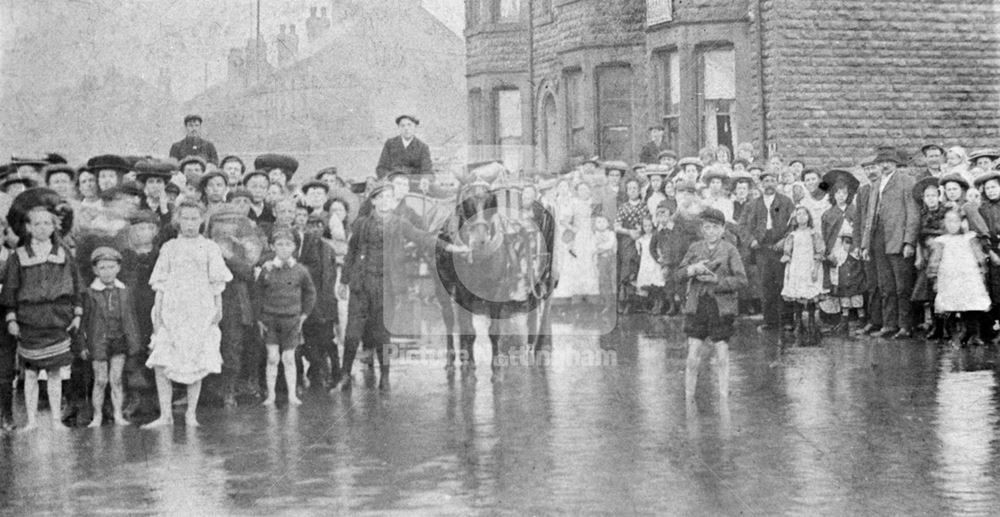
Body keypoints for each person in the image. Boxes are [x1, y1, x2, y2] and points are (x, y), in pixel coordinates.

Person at [334, 182, 467, 391]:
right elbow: (351, 253)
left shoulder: (401, 223)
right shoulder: (361, 224)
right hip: (361, 284)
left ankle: (384, 378)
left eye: (390, 198)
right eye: (382, 198)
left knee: (383, 332)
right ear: (374, 201)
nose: (386, 202)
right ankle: (345, 376)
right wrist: (344, 281)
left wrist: (450, 247)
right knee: (352, 333)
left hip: (387, 286)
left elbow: (424, 238)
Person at [143, 201, 232, 428]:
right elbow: (160, 283)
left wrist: (217, 309)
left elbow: (217, 283)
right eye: (186, 218)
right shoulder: (169, 247)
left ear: (201, 220)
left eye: (194, 219)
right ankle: (166, 415)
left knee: (196, 359)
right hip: (172, 308)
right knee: (163, 359)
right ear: (178, 221)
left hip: (199, 309)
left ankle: (191, 413)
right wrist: (159, 314)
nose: (190, 223)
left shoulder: (210, 247)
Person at [1, 205, 82, 430]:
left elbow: (76, 285)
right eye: (37, 223)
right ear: (28, 227)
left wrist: (76, 314)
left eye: (47, 223)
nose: (42, 228)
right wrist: (12, 319)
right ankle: (32, 421)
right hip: (30, 321)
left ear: (54, 225)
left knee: (55, 373)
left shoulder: (64, 253)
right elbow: (10, 289)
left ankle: (56, 419)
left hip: (58, 320)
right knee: (30, 373)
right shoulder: (19, 256)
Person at [677, 207, 747, 404]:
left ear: (723, 229)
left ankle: (724, 397)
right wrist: (692, 269)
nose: (711, 232)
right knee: (692, 357)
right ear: (702, 229)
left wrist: (718, 280)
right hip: (697, 305)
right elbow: (678, 274)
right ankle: (688, 397)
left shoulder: (730, 250)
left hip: (720, 307)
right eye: (707, 227)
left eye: (715, 227)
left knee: (722, 355)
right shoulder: (694, 248)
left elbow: (742, 280)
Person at [855, 147, 919, 339]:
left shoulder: (907, 182)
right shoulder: (876, 184)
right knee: (886, 286)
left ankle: (906, 325)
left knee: (902, 286)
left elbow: (913, 214)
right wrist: (865, 244)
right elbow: (869, 217)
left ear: (895, 163)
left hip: (898, 239)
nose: (885, 165)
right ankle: (889, 324)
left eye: (889, 162)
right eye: (882, 162)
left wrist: (909, 241)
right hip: (878, 239)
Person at [256, 228, 317, 407]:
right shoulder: (266, 269)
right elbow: (258, 293)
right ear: (272, 246)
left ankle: (292, 394)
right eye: (279, 244)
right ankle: (271, 396)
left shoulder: (300, 270)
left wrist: (304, 315)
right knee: (272, 357)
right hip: (270, 319)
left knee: (289, 358)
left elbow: (310, 293)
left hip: (291, 320)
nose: (284, 248)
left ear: (295, 247)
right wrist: (259, 318)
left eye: (288, 244)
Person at [81, 247, 140, 427]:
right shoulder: (89, 293)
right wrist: (82, 345)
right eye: (103, 268)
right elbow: (83, 321)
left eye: (111, 267)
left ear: (118, 268)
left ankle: (117, 414)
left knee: (116, 379)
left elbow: (131, 317)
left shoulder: (124, 291)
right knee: (100, 380)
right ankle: (97, 416)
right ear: (95, 270)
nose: (107, 272)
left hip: (119, 339)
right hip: (98, 341)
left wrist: (134, 342)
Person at [928, 208, 990, 347]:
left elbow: (978, 255)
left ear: (962, 222)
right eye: (949, 221)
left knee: (971, 305)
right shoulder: (941, 241)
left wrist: (982, 271)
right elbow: (935, 260)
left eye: (955, 221)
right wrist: (934, 277)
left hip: (968, 277)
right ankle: (953, 335)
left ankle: (973, 334)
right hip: (949, 278)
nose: (952, 225)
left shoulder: (969, 238)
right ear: (944, 223)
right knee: (950, 305)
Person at [743, 169, 796, 331]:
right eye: (766, 181)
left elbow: (793, 224)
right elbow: (741, 226)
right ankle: (770, 321)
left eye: (772, 180)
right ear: (761, 184)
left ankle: (787, 320)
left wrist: (785, 240)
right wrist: (750, 240)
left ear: (777, 183)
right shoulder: (752, 204)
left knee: (783, 282)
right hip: (762, 248)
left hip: (780, 248)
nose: (769, 184)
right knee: (766, 284)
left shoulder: (786, 202)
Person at [781, 206, 826, 343]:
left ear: (809, 216)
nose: (801, 216)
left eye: (804, 214)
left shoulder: (813, 234)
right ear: (795, 218)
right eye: (798, 214)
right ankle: (798, 321)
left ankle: (812, 321)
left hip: (809, 266)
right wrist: (788, 270)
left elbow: (819, 252)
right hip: (796, 267)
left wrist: (816, 268)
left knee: (810, 294)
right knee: (797, 294)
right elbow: (787, 254)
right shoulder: (792, 235)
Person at [911, 177, 946, 339]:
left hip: (943, 255)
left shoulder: (945, 211)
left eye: (933, 195)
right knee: (928, 292)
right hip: (926, 256)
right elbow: (918, 237)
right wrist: (919, 255)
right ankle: (935, 326)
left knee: (943, 290)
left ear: (939, 196)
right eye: (927, 196)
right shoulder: (922, 214)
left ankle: (946, 326)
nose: (930, 199)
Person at [614, 178, 651, 313]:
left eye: (635, 188)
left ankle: (639, 302)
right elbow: (617, 227)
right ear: (627, 191)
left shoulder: (644, 206)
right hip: (627, 240)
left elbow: (649, 223)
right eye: (630, 188)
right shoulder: (623, 207)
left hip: (642, 238)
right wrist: (629, 231)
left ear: (639, 190)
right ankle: (625, 300)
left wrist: (641, 231)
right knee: (628, 266)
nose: (633, 191)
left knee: (641, 267)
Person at [634, 216, 665, 313]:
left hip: (653, 261)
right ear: (642, 227)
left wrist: (659, 257)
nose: (648, 228)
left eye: (650, 226)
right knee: (645, 282)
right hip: (645, 262)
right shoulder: (641, 239)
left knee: (655, 282)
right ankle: (647, 305)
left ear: (653, 226)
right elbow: (639, 250)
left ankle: (658, 304)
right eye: (645, 226)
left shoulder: (655, 236)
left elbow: (658, 248)